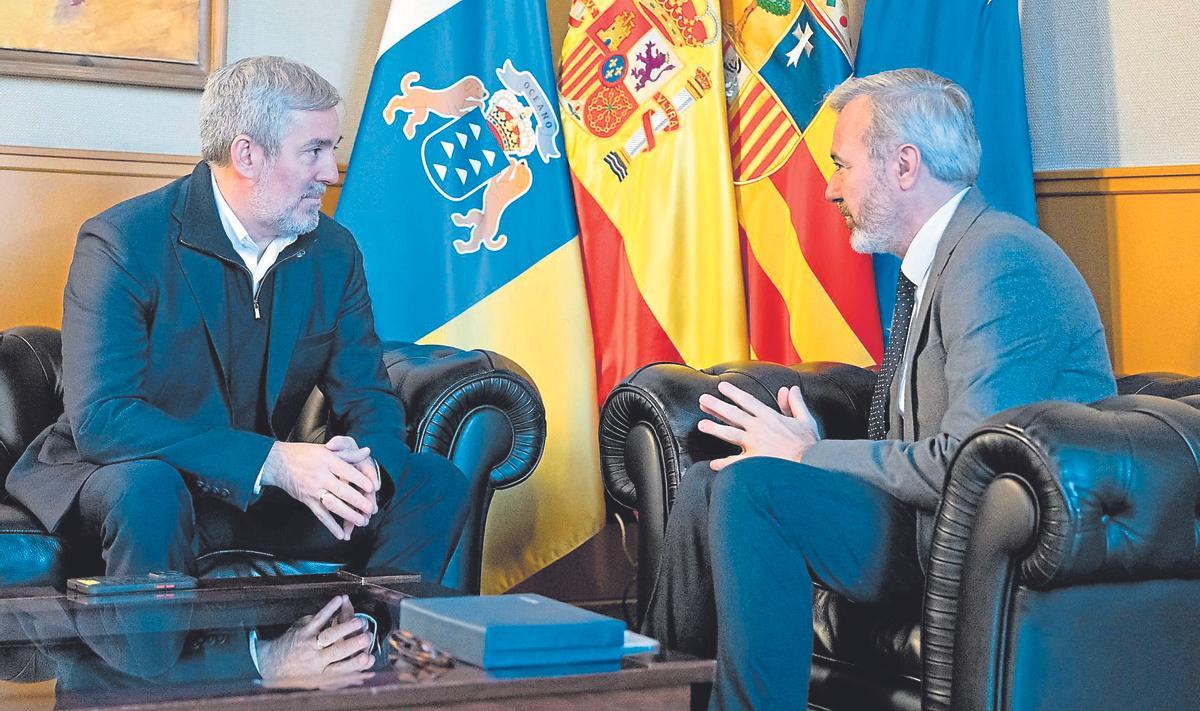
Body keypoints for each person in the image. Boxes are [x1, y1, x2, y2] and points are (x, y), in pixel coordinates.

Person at [641, 68, 1117, 709]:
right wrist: (807, 448)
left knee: (757, 489)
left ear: (904, 165)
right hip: (929, 523)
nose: (830, 188)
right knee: (710, 482)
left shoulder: (997, 261)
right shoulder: (941, 259)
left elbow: (967, 466)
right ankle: (649, 698)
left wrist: (807, 456)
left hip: (983, 543)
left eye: (841, 165)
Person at [6, 56, 469, 583]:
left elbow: (368, 397)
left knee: (433, 481)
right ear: (247, 154)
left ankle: (361, 646)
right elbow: (103, 420)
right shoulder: (122, 241)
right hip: (132, 480)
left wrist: (366, 466)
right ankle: (153, 666)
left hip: (248, 494)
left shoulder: (334, 251)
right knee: (149, 489)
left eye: (331, 150)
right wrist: (275, 462)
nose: (330, 172)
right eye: (314, 150)